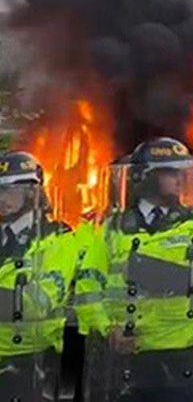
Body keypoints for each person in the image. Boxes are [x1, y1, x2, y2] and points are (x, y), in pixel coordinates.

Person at [75, 137, 193, 401]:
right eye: (170, 172)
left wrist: (151, 272)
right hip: (128, 349)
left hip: (181, 346)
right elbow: (88, 283)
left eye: (181, 172)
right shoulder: (114, 227)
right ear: (147, 176)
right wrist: (108, 328)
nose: (179, 179)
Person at [0, 151, 79, 401]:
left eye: (9, 190)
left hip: (33, 363)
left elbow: (38, 304)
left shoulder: (58, 237)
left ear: (32, 192)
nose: (1, 198)